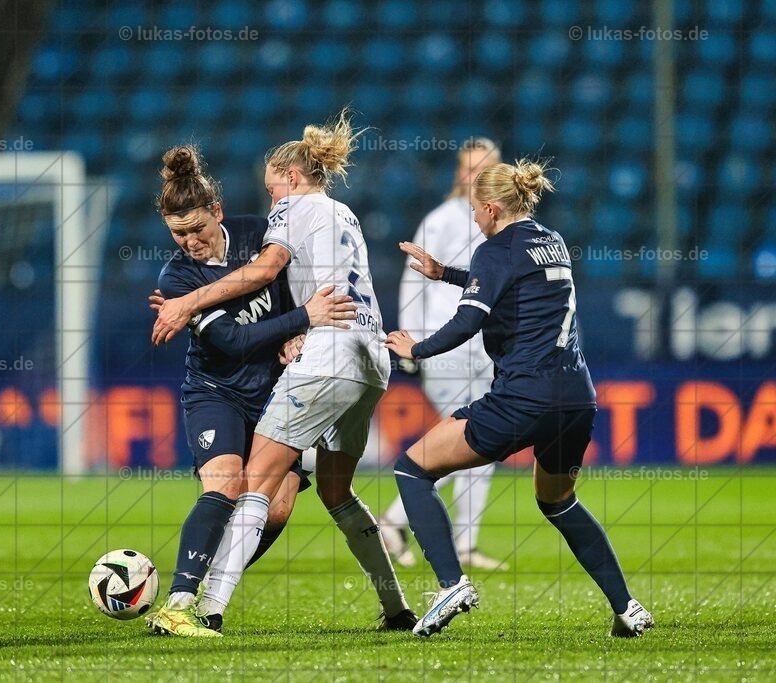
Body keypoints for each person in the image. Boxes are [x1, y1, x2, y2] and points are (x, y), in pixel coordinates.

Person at [151, 110, 416, 631]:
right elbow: (231, 338)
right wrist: (298, 323)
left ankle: (205, 609)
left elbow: (268, 272)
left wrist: (189, 307)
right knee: (309, 493)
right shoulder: (341, 214)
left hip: (314, 365)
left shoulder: (277, 220)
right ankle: (396, 608)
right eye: (177, 234)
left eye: (196, 228)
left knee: (261, 492)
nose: (189, 242)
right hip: (310, 371)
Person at [385, 159, 654, 638]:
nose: (473, 219)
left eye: (475, 211)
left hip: (524, 397)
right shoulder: (551, 241)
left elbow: (468, 322)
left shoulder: (495, 249)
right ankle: (627, 607)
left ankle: (451, 584)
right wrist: (444, 272)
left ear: (491, 208)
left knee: (413, 468)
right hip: (576, 399)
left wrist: (416, 349)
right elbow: (509, 282)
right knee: (559, 502)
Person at [381, 137, 508, 571]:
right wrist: (411, 343)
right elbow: (414, 280)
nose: (473, 176)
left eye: (483, 168)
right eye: (469, 168)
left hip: (482, 347)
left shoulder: (496, 221)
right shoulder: (441, 219)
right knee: (470, 441)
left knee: (480, 443)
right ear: (459, 173)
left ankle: (463, 541)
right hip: (444, 344)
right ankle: (394, 522)